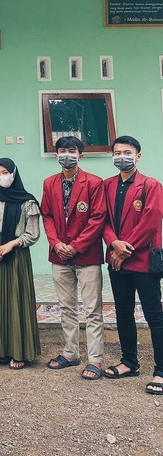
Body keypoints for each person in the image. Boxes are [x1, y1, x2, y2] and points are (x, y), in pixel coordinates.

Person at [41, 136, 106, 380]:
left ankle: (95, 360)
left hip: (87, 255)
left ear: (80, 155)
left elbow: (97, 218)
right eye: (61, 150)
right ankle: (70, 353)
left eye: (71, 150)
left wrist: (76, 246)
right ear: (56, 155)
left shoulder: (94, 183)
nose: (66, 154)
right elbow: (46, 215)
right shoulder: (49, 183)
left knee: (92, 309)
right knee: (66, 307)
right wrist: (57, 243)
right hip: (59, 255)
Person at [102, 136, 163, 396]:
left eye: (127, 152)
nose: (121, 156)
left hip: (143, 260)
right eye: (117, 152)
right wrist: (113, 242)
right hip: (116, 259)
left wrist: (125, 249)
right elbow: (101, 219)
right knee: (123, 313)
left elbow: (151, 221)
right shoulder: (106, 186)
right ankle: (129, 362)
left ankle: (160, 370)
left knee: (154, 316)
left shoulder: (151, 185)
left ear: (137, 156)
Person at [0, 158, 41, 369]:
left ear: (14, 173)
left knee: (16, 301)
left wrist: (12, 244)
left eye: (5, 172)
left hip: (16, 254)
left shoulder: (28, 202)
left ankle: (19, 352)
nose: (1, 177)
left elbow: (33, 233)